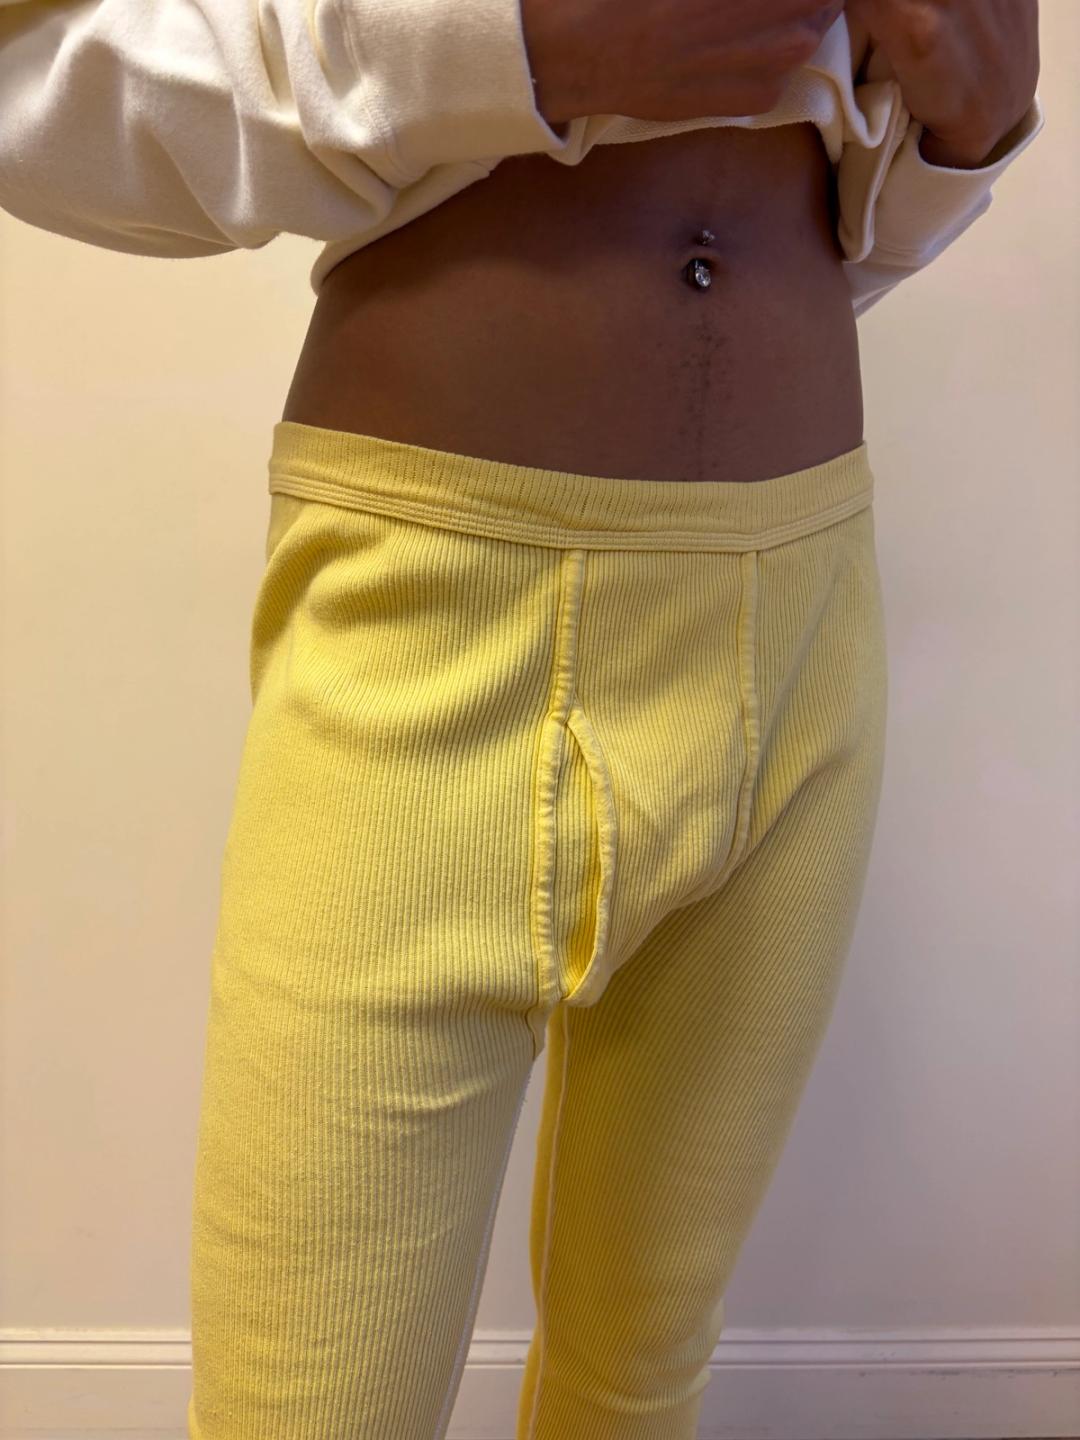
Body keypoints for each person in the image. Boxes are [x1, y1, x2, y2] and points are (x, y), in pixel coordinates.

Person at [0, 1, 1044, 1436]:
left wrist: (964, 137)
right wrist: (507, 47)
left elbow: (837, 203)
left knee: (641, 1380)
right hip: (430, 623)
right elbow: (26, 86)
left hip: (802, 630)